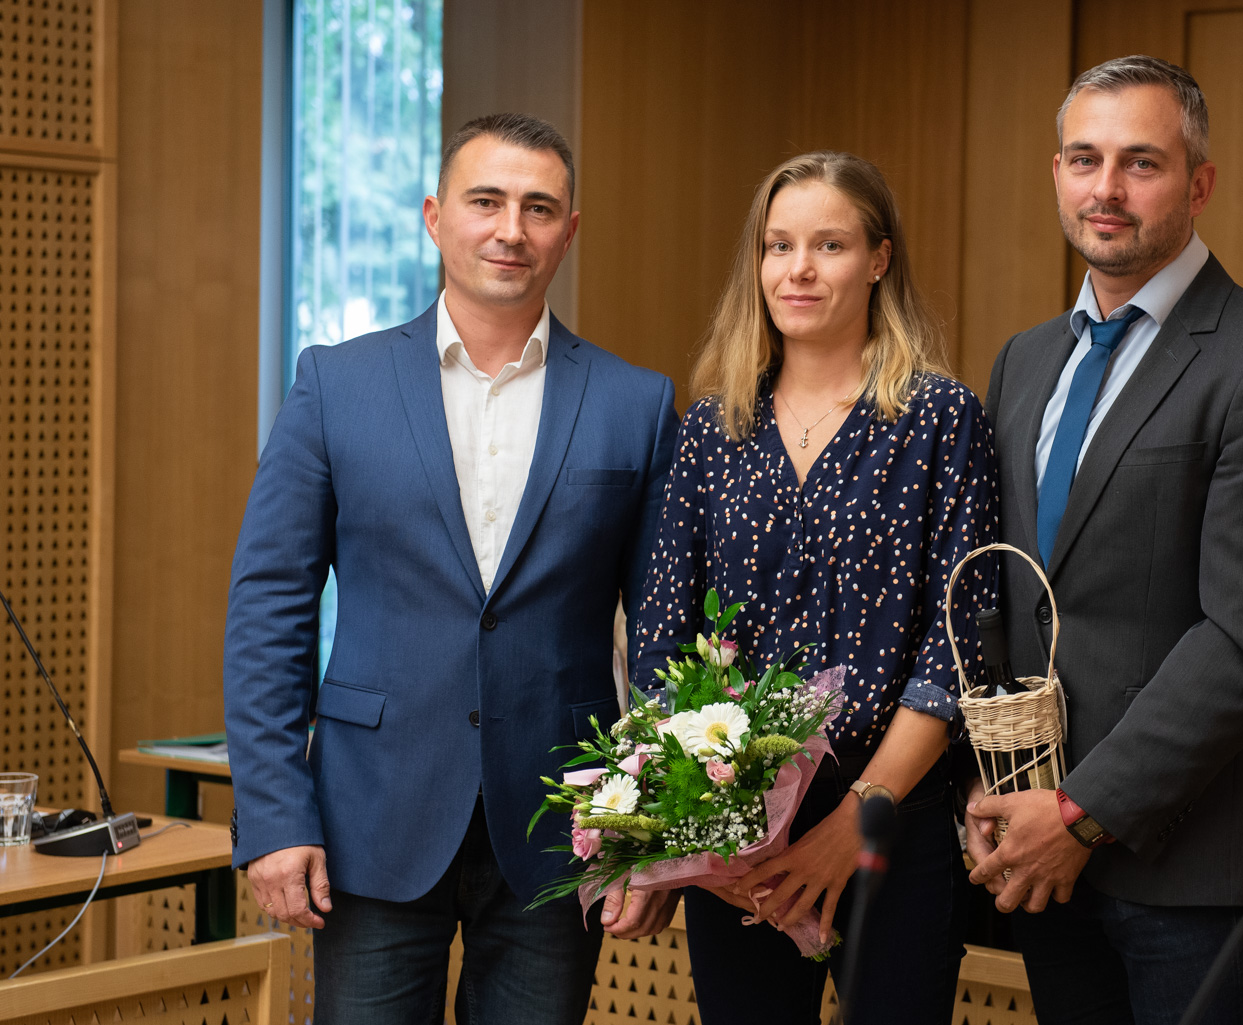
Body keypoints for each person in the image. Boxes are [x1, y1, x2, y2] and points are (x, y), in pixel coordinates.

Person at [222, 113, 679, 1024]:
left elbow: (666, 633)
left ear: (568, 232)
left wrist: (657, 832)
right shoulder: (335, 384)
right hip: (370, 817)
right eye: (486, 201)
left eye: (538, 208)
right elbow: (270, 606)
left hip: (565, 827)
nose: (511, 229)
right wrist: (274, 814)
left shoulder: (636, 401)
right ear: (435, 217)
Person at [968, 56, 1243, 1025]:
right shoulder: (1024, 360)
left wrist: (1080, 811)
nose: (1105, 188)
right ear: (1056, 172)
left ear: (1198, 183)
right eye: (1083, 158)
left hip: (1183, 858)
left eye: (1139, 162)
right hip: (1033, 843)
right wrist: (998, 789)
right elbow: (1010, 597)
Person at [633, 151, 996, 1024]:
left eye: (828, 245)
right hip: (736, 833)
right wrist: (702, 836)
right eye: (778, 245)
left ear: (877, 259)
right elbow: (660, 640)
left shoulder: (940, 419)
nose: (797, 269)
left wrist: (856, 818)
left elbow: (957, 649)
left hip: (889, 821)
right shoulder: (712, 428)